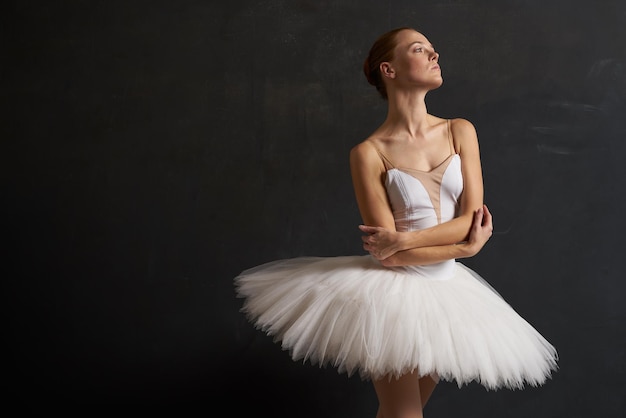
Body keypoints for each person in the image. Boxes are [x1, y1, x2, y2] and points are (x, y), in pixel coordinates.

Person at [235, 27, 558, 417]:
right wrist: (464, 248)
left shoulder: (460, 131)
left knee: (401, 411)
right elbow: (387, 257)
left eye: (434, 49)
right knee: (404, 412)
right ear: (389, 69)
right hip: (391, 294)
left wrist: (416, 241)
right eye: (420, 49)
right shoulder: (368, 154)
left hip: (448, 295)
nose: (434, 55)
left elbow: (467, 220)